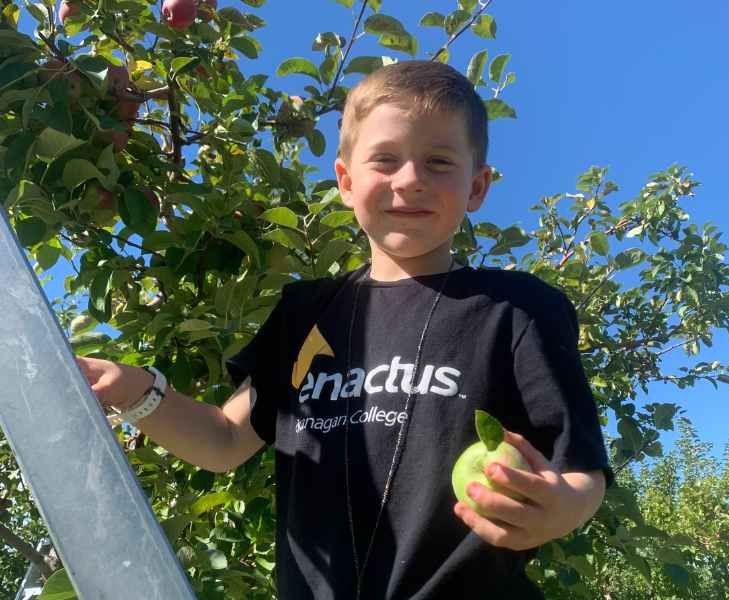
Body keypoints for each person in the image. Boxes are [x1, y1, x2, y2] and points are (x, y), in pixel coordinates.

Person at [76, 60, 613, 599]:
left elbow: (580, 465)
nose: (410, 179)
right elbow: (225, 440)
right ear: (346, 182)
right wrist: (134, 389)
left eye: (438, 161)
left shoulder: (517, 308)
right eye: (385, 159)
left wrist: (560, 510)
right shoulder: (305, 314)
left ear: (477, 187)